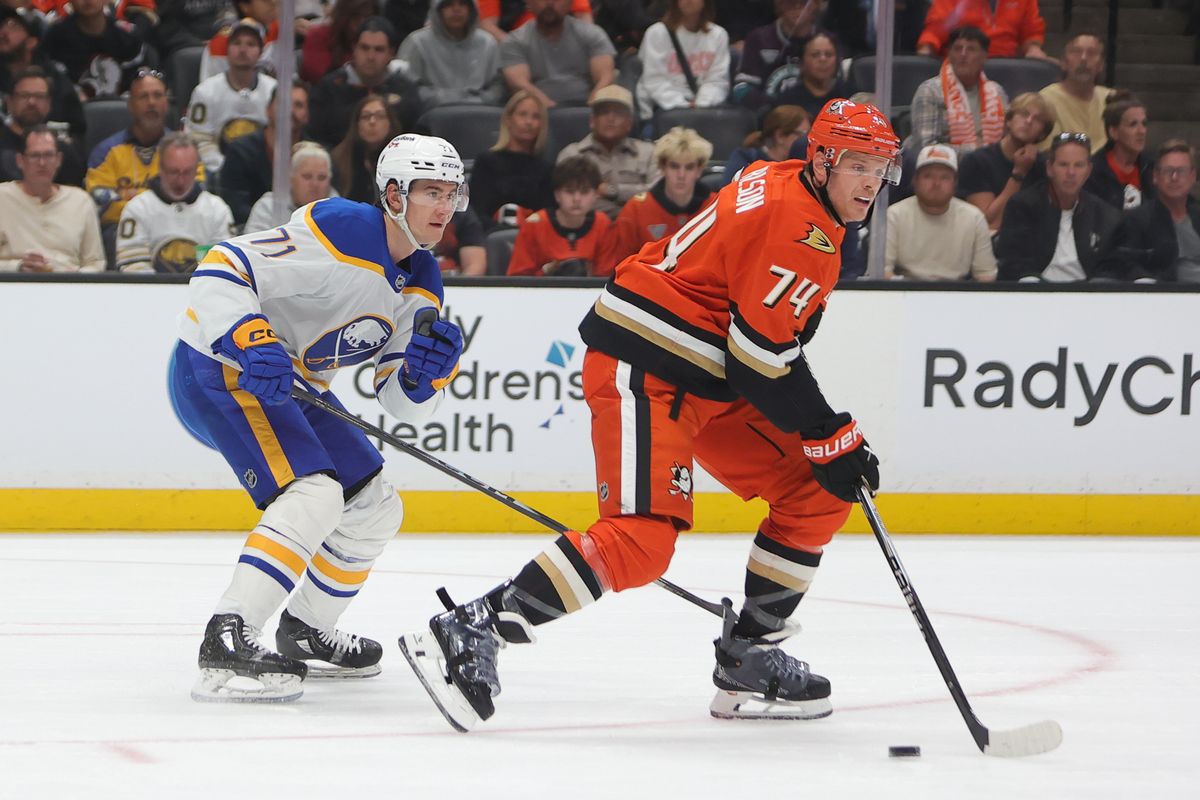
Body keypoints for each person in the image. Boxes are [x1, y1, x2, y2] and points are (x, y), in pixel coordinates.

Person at [399, 98, 902, 732]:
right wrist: (830, 432)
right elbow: (761, 358)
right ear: (824, 160)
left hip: (705, 372)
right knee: (641, 539)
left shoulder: (786, 181)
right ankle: (474, 625)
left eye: (882, 167)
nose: (873, 182)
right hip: (650, 365)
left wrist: (825, 442)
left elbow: (754, 352)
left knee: (814, 492)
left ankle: (750, 657)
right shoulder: (798, 228)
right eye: (860, 164)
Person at [171, 133, 467, 703]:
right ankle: (228, 636)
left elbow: (398, 400)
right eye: (431, 191)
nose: (445, 206)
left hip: (293, 384)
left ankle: (305, 629)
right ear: (394, 196)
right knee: (316, 494)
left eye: (452, 192)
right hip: (216, 362)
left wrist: (426, 374)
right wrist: (248, 339)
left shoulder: (424, 281)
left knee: (374, 505)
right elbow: (221, 265)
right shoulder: (343, 230)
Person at [996, 131, 1119, 281]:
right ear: (1049, 168)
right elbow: (1013, 262)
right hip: (1036, 293)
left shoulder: (1104, 213)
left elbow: (1110, 265)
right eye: (1063, 164)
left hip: (1086, 295)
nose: (1071, 172)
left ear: (1088, 171)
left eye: (1079, 165)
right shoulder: (1023, 206)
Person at [87, 68, 199, 228]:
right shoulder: (105, 152)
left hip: (178, 227)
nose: (151, 102)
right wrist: (164, 201)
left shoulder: (185, 151)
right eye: (143, 96)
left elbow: (196, 196)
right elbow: (100, 204)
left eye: (158, 95)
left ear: (167, 104)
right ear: (131, 104)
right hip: (121, 230)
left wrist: (127, 196)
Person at [598, 125, 713, 273]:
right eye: (674, 166)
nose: (681, 175)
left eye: (689, 167)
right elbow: (621, 267)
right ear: (662, 167)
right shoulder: (636, 209)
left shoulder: (715, 207)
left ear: (699, 170)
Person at [115, 133, 235, 272]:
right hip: (150, 292)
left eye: (187, 172)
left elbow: (224, 268)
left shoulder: (217, 210)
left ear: (197, 169)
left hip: (203, 291)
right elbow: (133, 268)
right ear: (160, 168)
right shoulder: (137, 209)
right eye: (173, 172)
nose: (180, 181)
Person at [0, 125, 105, 271]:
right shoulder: (2, 197)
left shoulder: (81, 201)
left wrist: (77, 277)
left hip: (69, 287)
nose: (42, 163)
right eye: (35, 156)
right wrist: (17, 267)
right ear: (20, 160)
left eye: (48, 155)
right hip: (14, 285)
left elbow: (96, 262)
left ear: (59, 159)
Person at [885, 144, 996, 281]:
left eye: (944, 177)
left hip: (958, 294)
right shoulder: (894, 215)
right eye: (928, 176)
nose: (936, 183)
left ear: (955, 183)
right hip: (905, 292)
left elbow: (986, 275)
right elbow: (883, 272)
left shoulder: (974, 218)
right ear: (915, 180)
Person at [1095, 139, 1200, 284]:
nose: (1174, 178)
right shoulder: (1137, 221)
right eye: (1168, 171)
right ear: (1155, 176)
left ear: (1193, 176)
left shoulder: (1197, 215)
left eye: (1181, 171)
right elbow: (1122, 263)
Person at [307, 16, 418, 149]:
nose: (370, 57)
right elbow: (314, 138)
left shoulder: (404, 90)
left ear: (391, 53)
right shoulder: (329, 88)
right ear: (354, 48)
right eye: (364, 48)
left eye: (379, 50)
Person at [186, 18, 277, 174]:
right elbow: (199, 140)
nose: (243, 49)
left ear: (260, 52)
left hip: (266, 172)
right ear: (227, 49)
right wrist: (226, 167)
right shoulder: (205, 92)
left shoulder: (275, 90)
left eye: (250, 44)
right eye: (237, 43)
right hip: (217, 172)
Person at [957, 90, 1055, 232]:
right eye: (1024, 114)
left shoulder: (1045, 167)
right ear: (1009, 120)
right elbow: (988, 223)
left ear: (1042, 133)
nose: (1028, 121)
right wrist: (1018, 174)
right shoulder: (977, 161)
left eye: (1037, 119)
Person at [556, 84, 658, 218]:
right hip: (589, 231)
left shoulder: (649, 152)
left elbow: (656, 194)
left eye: (618, 113)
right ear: (592, 121)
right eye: (604, 112)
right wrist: (625, 214)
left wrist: (612, 191)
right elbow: (570, 201)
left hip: (640, 231)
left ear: (629, 123)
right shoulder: (572, 155)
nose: (611, 118)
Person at [906, 26, 1008, 156]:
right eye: (957, 48)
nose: (963, 54)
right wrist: (975, 151)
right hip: (943, 171)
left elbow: (1006, 142)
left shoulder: (997, 92)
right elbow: (926, 149)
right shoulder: (930, 91)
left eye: (971, 49)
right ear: (949, 54)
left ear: (984, 57)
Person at [220, 79, 310, 227]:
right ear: (268, 110)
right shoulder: (241, 151)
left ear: (307, 115)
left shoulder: (318, 156)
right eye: (283, 104)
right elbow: (234, 205)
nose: (290, 111)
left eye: (298, 105)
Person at [498, 0, 615, 108]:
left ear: (570, 3)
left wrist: (591, 111)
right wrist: (550, 111)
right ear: (529, 3)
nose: (549, 3)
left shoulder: (593, 34)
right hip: (538, 114)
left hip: (587, 108)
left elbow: (605, 77)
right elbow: (519, 84)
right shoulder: (515, 41)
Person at [506, 154, 611, 276]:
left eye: (584, 192)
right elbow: (517, 279)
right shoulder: (535, 224)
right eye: (569, 191)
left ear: (596, 195)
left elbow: (606, 276)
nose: (576, 199)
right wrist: (547, 271)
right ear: (557, 195)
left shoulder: (603, 223)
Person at [467, 88, 554, 230]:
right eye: (522, 114)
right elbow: (477, 212)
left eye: (536, 117)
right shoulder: (486, 162)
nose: (529, 122)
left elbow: (548, 216)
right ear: (508, 119)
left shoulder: (546, 169)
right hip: (490, 237)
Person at [397, 0, 503, 115]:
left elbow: (498, 85)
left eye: (462, 4)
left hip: (481, 113)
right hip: (429, 115)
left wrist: (480, 100)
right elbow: (406, 86)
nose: (456, 10)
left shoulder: (487, 43)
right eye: (448, 5)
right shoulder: (417, 43)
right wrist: (439, 99)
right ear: (437, 10)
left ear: (472, 9)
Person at [635, 0, 730, 121]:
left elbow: (718, 81)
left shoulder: (718, 35)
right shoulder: (656, 33)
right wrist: (682, 105)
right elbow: (654, 81)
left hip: (705, 111)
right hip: (662, 110)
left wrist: (701, 104)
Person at [0, 5, 84, 137]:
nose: (3, 32)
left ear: (31, 42)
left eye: (14, 27)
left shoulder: (56, 81)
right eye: (2, 26)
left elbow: (76, 131)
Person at [41, 0, 146, 99]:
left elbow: (140, 78)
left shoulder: (128, 35)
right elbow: (53, 80)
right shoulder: (56, 37)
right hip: (71, 109)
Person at [732, 0, 824, 113]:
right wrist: (774, 107)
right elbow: (741, 89)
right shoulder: (758, 39)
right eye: (790, 2)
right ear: (779, 4)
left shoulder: (826, 44)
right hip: (769, 118)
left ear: (816, 5)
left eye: (803, 2)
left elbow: (833, 88)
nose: (797, 7)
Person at [0, 67, 85, 186]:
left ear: (49, 103)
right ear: (9, 102)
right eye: (24, 95)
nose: (32, 102)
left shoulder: (64, 150)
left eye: (39, 96)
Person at [1038, 32, 1109, 154]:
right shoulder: (1044, 101)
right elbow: (1050, 155)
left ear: (1101, 65)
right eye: (1076, 52)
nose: (1083, 59)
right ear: (1063, 62)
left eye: (1091, 53)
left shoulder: (1112, 99)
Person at [244, 141, 334, 234]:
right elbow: (253, 245)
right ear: (291, 178)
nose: (315, 184)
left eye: (322, 178)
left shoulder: (338, 211)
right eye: (307, 176)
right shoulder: (269, 206)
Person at [1084, 91, 1152, 212]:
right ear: (1113, 132)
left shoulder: (1152, 167)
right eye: (1133, 124)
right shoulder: (1092, 173)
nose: (1141, 131)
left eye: (1144, 124)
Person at [917, 0, 1048, 60]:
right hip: (962, 65)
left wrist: (1033, 48)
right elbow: (935, 30)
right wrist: (926, 49)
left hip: (1005, 65)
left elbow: (1031, 31)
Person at [331, 94, 403, 202]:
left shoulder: (402, 158)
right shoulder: (340, 159)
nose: (372, 121)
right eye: (365, 116)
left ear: (390, 123)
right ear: (357, 124)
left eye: (380, 116)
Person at [721, 103, 808, 185]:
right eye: (803, 134)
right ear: (780, 136)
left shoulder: (803, 165)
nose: (807, 140)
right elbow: (729, 190)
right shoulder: (745, 158)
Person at [770, 31, 850, 120]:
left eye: (828, 54)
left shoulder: (849, 96)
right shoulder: (786, 101)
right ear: (801, 62)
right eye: (815, 55)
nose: (823, 59)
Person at [115, 0, 227, 59]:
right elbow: (167, 27)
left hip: (226, 41)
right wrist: (202, 45)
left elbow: (234, 16)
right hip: (186, 46)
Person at [300, 0, 378, 84]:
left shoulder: (377, 40)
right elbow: (321, 78)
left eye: (367, 18)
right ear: (343, 17)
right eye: (356, 18)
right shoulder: (319, 36)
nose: (362, 24)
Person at [200, 0, 280, 81]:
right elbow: (213, 89)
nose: (273, 3)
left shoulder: (280, 31)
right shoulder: (220, 44)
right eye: (265, 1)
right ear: (244, 6)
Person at [477, 0, 592, 43]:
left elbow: (584, 18)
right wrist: (516, 47)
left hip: (564, 43)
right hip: (515, 48)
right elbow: (487, 26)